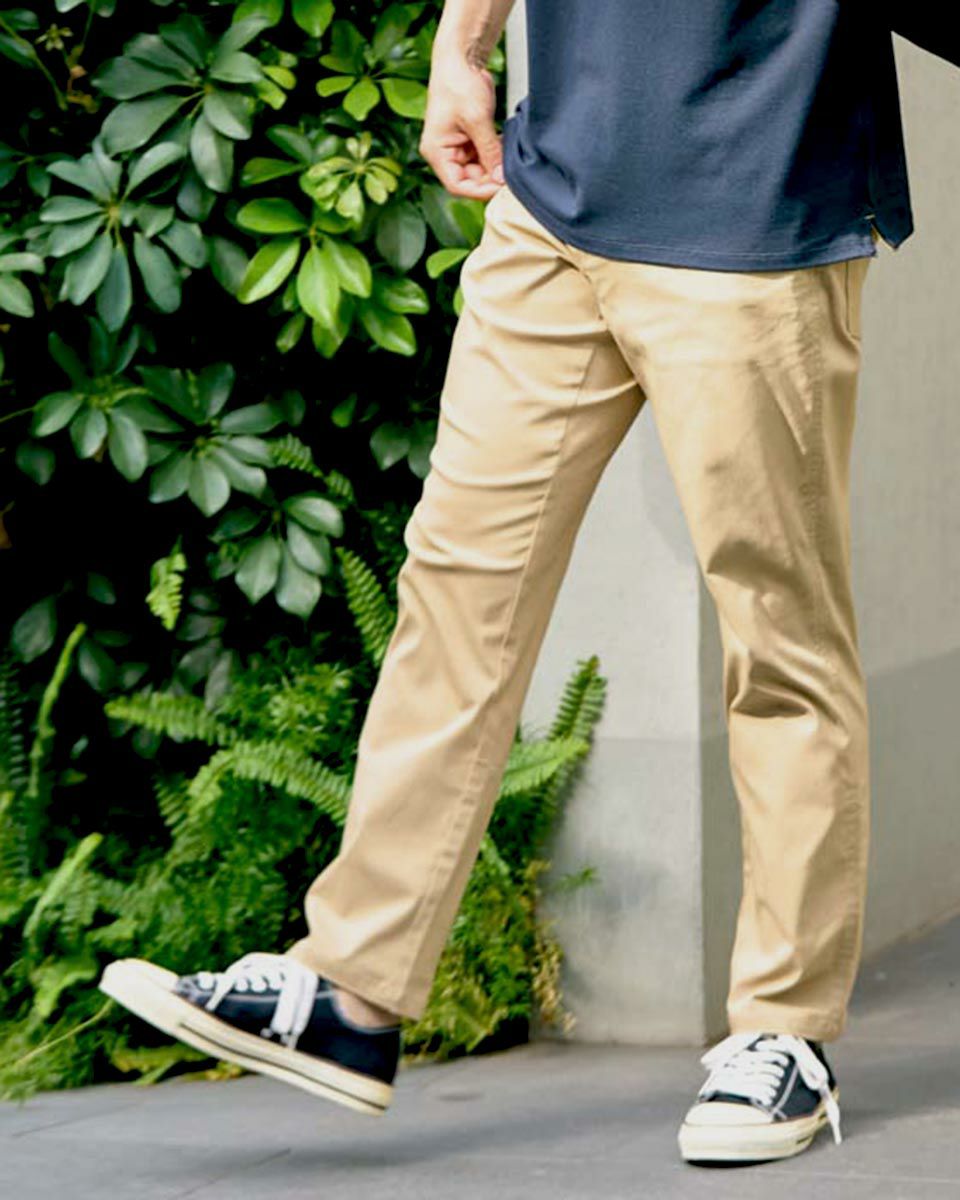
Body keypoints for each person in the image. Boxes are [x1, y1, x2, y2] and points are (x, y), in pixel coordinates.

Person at [99, 0, 959, 1168]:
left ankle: (783, 1029)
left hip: (752, 202)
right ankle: (353, 991)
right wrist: (462, 47)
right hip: (554, 193)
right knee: (458, 589)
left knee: (779, 636)